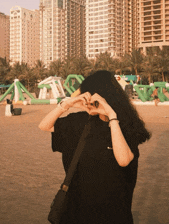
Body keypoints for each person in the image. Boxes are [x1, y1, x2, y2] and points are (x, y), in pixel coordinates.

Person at [39, 70, 151, 224]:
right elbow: (44, 126)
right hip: (75, 211)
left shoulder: (125, 125)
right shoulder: (79, 122)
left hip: (113, 213)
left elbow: (124, 160)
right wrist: (67, 104)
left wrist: (112, 116)